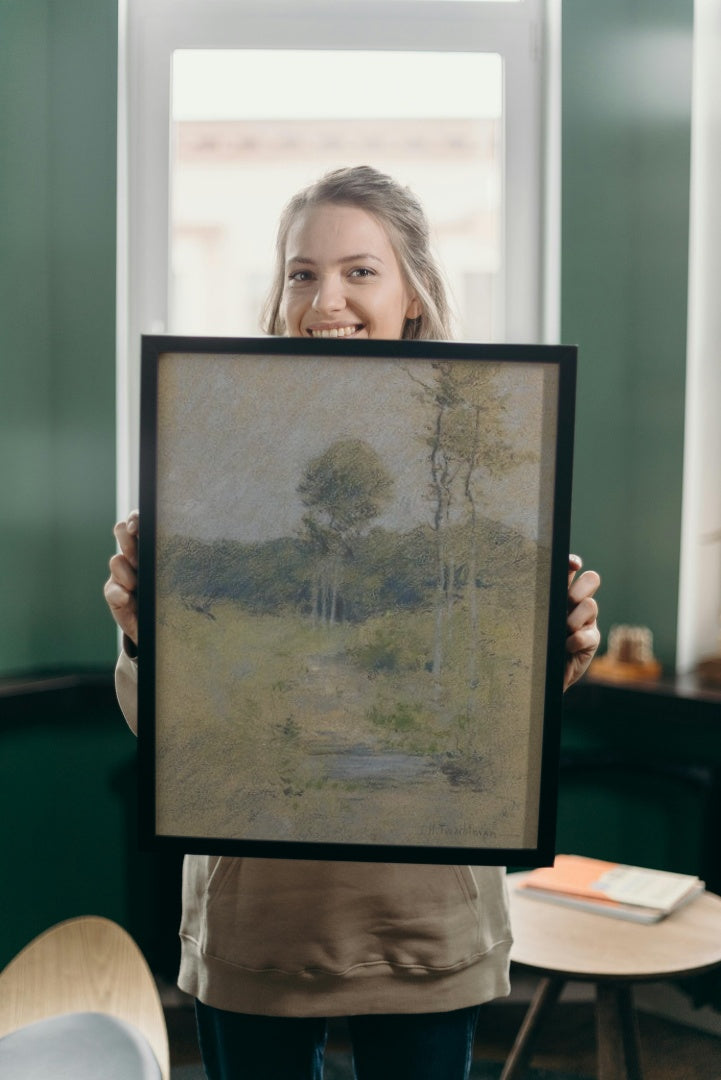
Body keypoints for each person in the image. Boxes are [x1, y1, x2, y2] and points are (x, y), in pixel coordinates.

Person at [105, 166, 601, 1080]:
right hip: (257, 922)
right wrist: (145, 638)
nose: (324, 298)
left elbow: (493, 724)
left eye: (359, 271)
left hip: (424, 920)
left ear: (412, 291)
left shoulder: (486, 448)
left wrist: (551, 651)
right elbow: (174, 732)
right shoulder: (209, 450)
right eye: (301, 272)